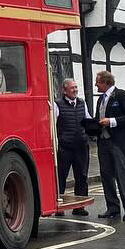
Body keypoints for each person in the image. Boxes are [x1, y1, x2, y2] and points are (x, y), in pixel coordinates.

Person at [94, 70, 125, 220]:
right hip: (103, 141)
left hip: (118, 142)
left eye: (97, 82)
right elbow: (98, 118)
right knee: (106, 175)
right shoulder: (100, 99)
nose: (95, 85)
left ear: (106, 82)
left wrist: (111, 121)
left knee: (121, 175)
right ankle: (113, 208)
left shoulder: (121, 95)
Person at [52, 78, 91, 216]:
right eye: (72, 88)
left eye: (76, 87)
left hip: (81, 146)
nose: (75, 90)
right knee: (61, 177)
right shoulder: (58, 104)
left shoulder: (82, 103)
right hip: (65, 147)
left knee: (82, 176)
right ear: (64, 90)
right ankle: (60, 207)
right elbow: (52, 125)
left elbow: (87, 119)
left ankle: (79, 207)